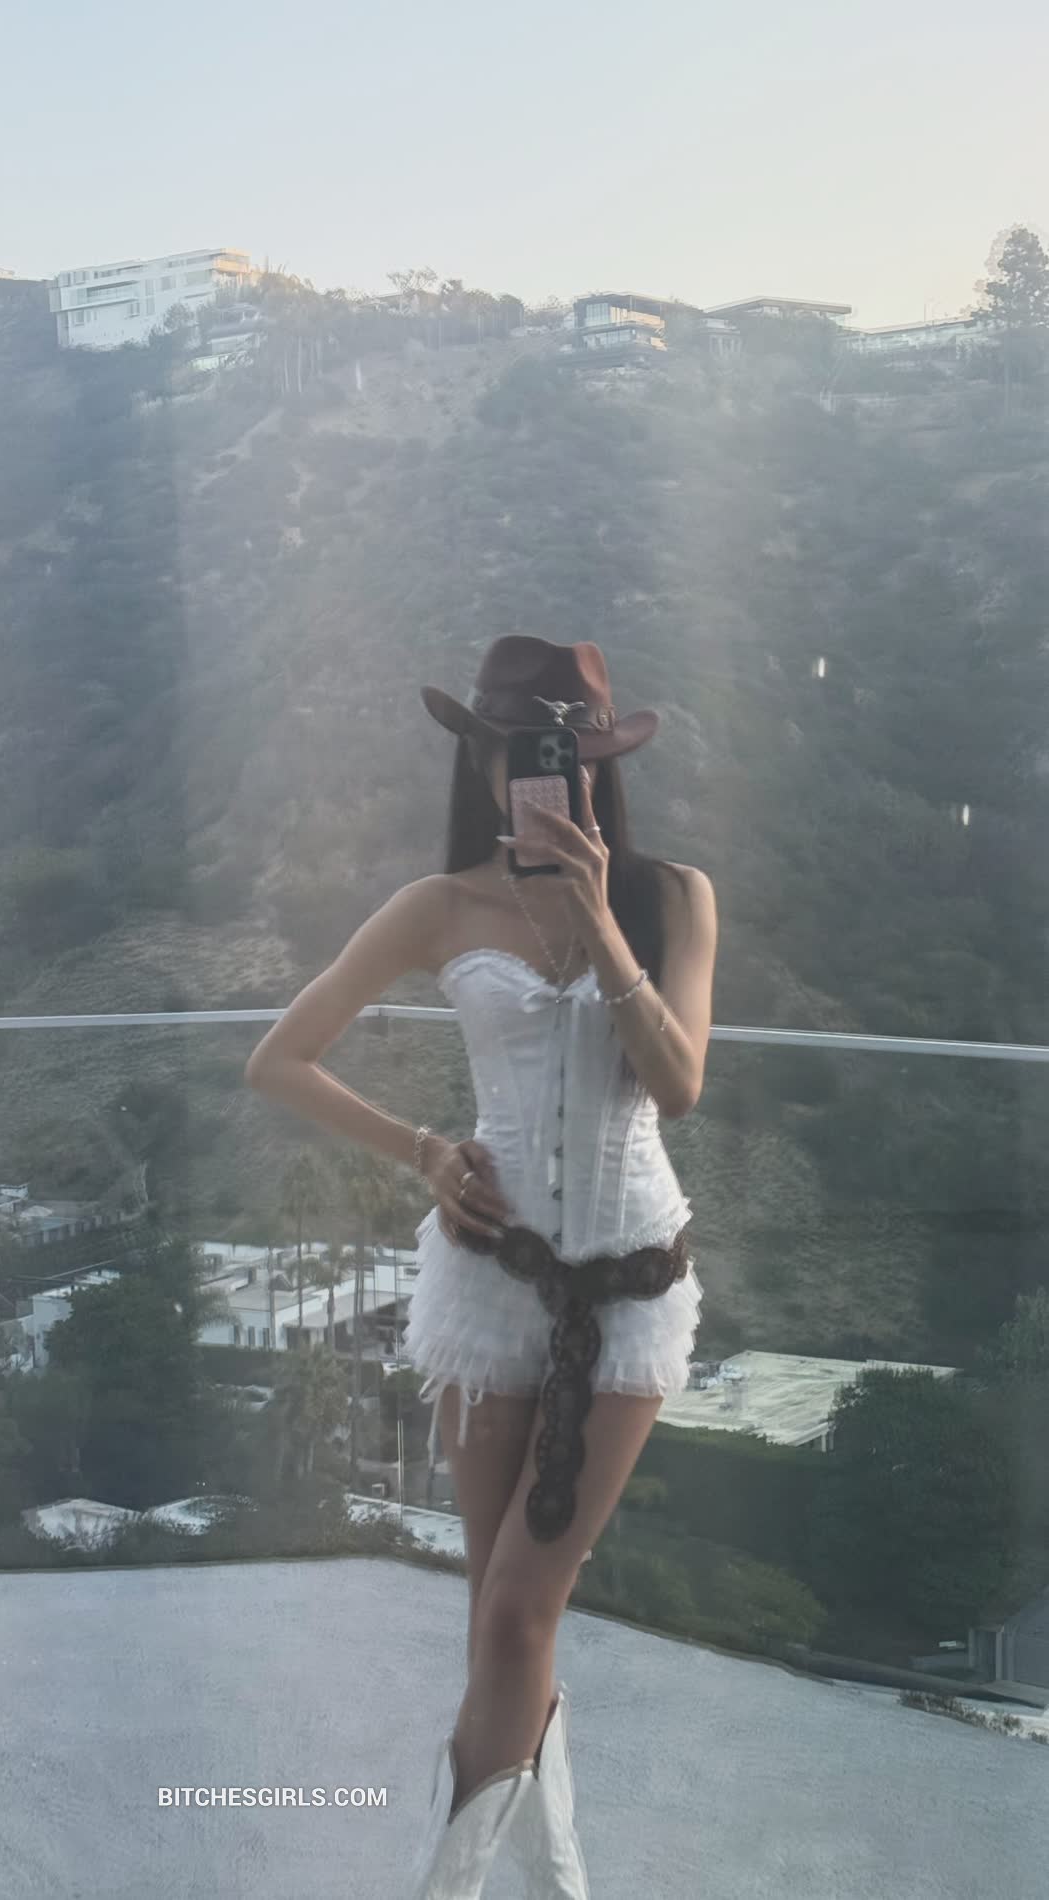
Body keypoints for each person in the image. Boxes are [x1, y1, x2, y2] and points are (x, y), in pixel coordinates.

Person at [244, 635, 718, 1898]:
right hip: (485, 1280)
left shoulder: (673, 896)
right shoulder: (439, 905)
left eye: (564, 751)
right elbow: (278, 1058)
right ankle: (555, 1878)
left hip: (626, 1292)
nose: (537, 771)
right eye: (513, 750)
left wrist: (599, 919)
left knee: (516, 1612)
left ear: (600, 763)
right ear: (483, 760)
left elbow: (678, 1083)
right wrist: (423, 1150)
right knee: (500, 1616)